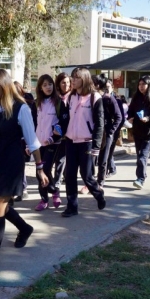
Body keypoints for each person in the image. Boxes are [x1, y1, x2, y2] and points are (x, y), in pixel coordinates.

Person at [0, 69, 48, 275]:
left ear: (4, 85)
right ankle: (25, 228)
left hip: (12, 166)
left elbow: (33, 142)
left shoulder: (20, 108)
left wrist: (40, 169)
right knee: (0, 207)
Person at [61, 67, 106, 217]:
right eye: (72, 77)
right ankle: (72, 207)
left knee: (86, 175)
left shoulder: (95, 98)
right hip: (70, 140)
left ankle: (98, 194)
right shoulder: (71, 97)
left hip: (86, 142)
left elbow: (100, 124)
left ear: (85, 79)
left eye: (76, 78)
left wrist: (96, 146)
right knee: (70, 174)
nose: (73, 80)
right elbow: (66, 117)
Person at [126, 76, 150, 189]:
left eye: (143, 84)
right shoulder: (136, 97)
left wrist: (149, 119)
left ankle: (140, 179)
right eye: (139, 84)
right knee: (139, 155)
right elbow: (131, 111)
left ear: (149, 85)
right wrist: (130, 117)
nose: (141, 86)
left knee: (143, 155)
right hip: (137, 131)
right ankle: (142, 174)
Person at [32, 74, 62, 211]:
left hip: (52, 143)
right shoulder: (36, 103)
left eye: (50, 84)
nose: (48, 87)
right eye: (44, 85)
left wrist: (53, 138)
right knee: (39, 172)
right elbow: (32, 124)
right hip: (38, 143)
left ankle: (52, 192)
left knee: (45, 170)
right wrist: (29, 144)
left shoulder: (58, 102)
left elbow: (62, 123)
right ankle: (47, 197)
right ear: (40, 88)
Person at [93, 75, 121, 187]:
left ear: (98, 85)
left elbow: (119, 117)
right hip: (94, 132)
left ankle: (100, 182)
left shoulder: (108, 99)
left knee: (103, 159)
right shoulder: (91, 98)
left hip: (106, 133)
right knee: (91, 158)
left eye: (92, 83)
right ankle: (90, 181)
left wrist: (110, 131)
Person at [52, 73, 71, 198]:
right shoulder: (55, 99)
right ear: (58, 84)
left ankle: (57, 184)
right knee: (58, 160)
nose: (66, 85)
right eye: (63, 82)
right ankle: (57, 183)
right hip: (55, 135)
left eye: (68, 82)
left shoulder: (73, 97)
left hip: (70, 135)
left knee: (61, 161)